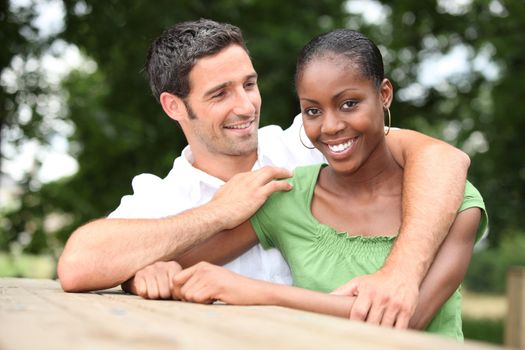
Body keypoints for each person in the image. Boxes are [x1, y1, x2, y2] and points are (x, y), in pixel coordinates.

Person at [57, 19, 473, 328]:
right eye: (220, 93)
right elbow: (79, 264)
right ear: (174, 106)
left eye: (249, 84)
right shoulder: (161, 197)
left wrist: (399, 273)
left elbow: (444, 161)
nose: (245, 106)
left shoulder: (308, 142)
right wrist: (216, 214)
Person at [162, 28, 488, 340]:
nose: (330, 126)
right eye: (313, 111)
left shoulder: (450, 200)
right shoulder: (287, 196)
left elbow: (405, 318)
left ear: (383, 94)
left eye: (349, 104)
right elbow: (176, 261)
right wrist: (154, 273)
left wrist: (256, 292)